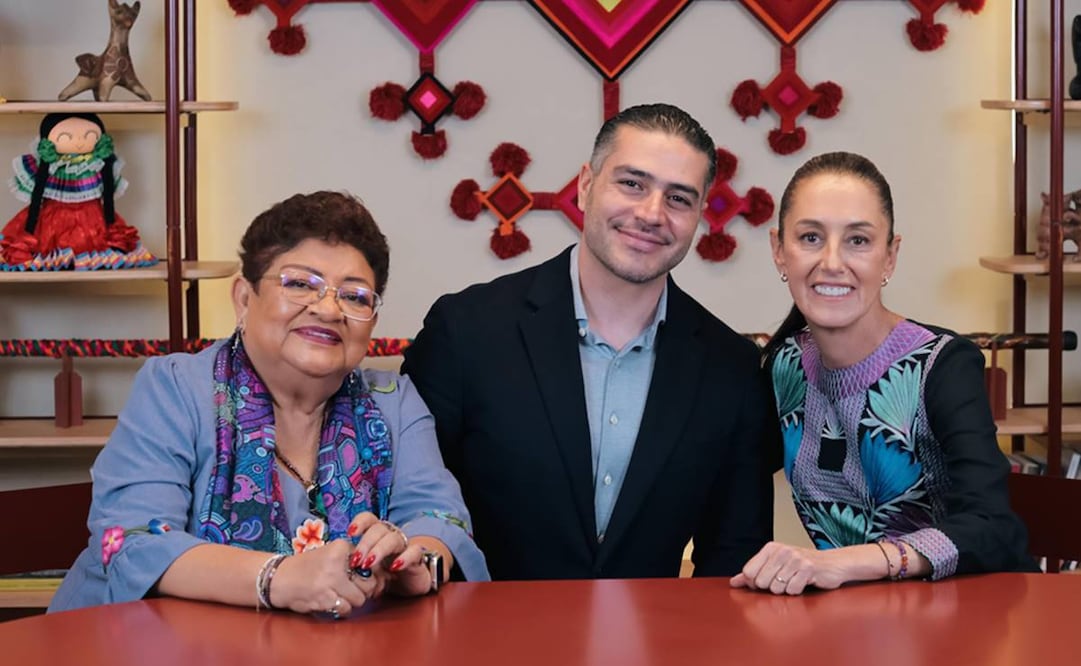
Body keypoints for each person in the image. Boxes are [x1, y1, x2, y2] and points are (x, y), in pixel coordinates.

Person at [50, 191, 489, 616]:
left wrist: (417, 563)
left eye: (354, 295)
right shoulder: (176, 387)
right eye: (301, 284)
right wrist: (279, 578)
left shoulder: (393, 402)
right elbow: (132, 539)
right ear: (244, 297)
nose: (329, 309)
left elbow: (439, 518)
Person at [401, 103, 775, 580]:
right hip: (479, 642)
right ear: (585, 184)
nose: (651, 213)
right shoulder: (466, 330)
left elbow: (734, 560)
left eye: (679, 198)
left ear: (700, 213)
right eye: (632, 183)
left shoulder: (733, 369)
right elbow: (410, 508)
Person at [731, 151, 1037, 596]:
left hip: (974, 620)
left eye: (858, 240)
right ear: (780, 252)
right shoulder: (784, 366)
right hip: (856, 626)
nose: (832, 262)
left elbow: (992, 526)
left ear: (890, 256)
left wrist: (843, 563)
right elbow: (725, 474)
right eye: (811, 237)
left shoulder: (942, 366)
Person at [1, 112, 156, 270]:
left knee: (95, 242)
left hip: (92, 216)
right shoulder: (50, 167)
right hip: (52, 217)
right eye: (66, 137)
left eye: (89, 135)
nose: (79, 143)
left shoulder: (98, 165)